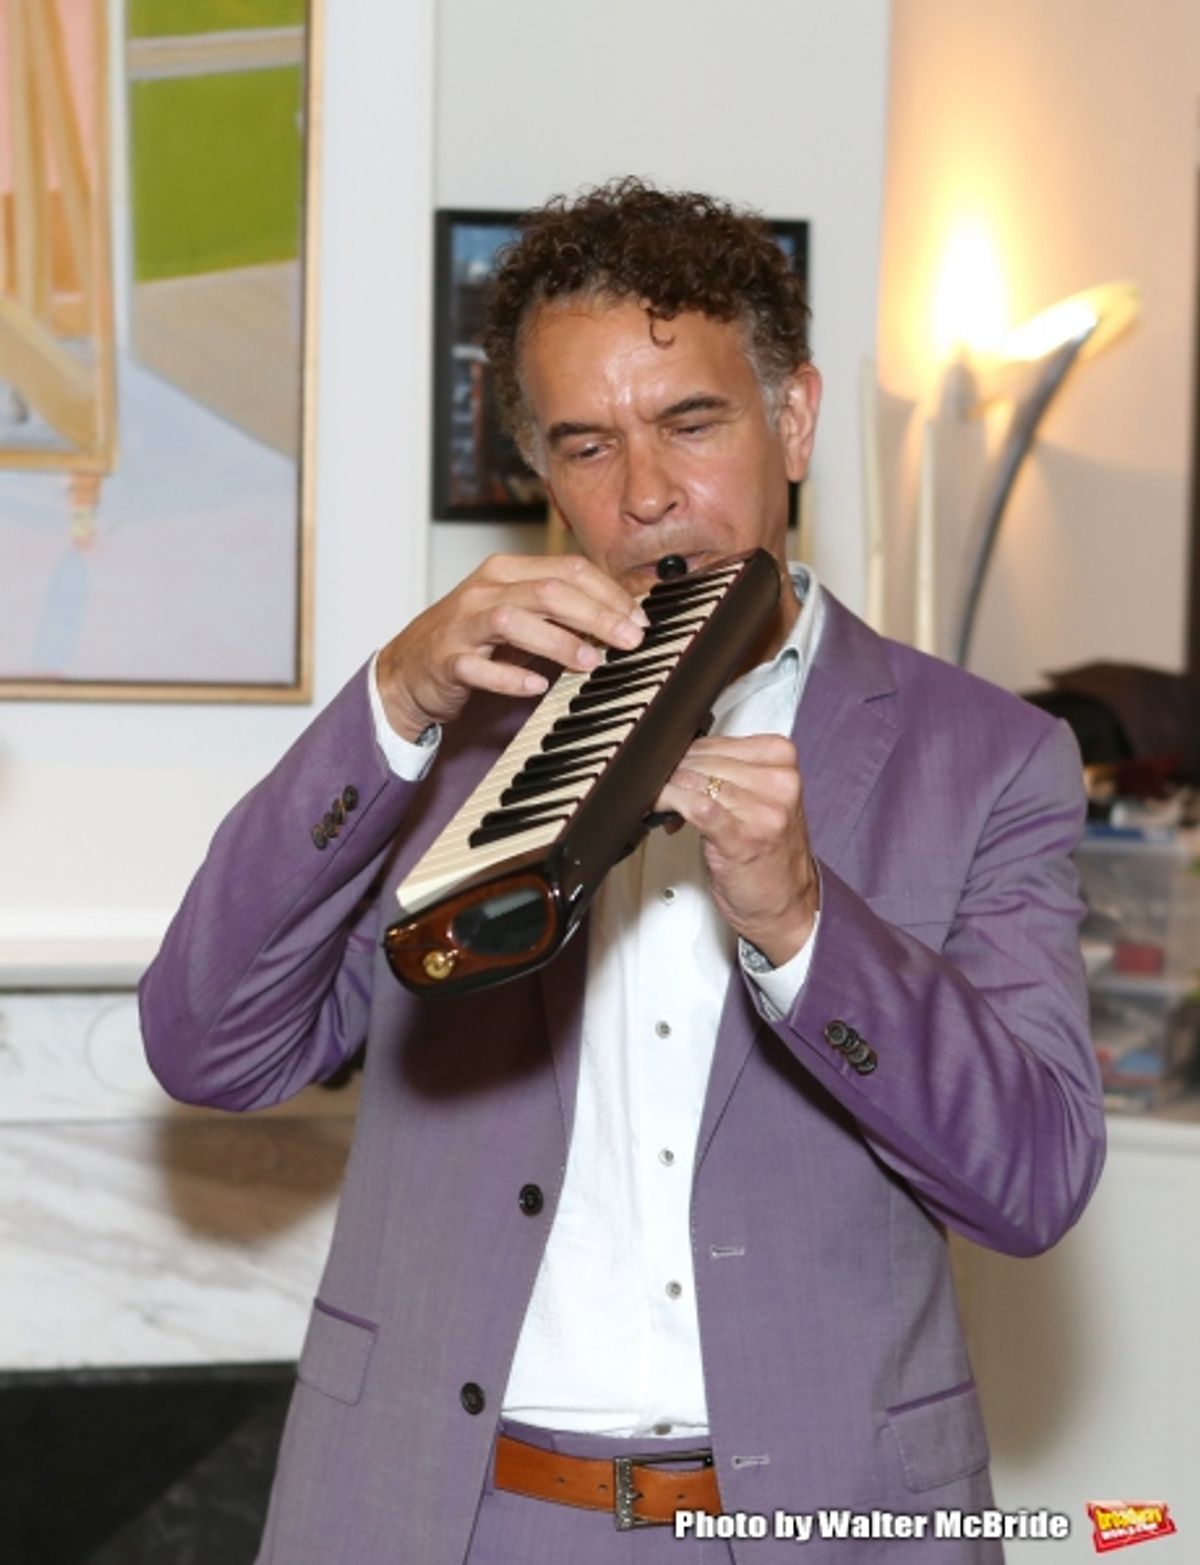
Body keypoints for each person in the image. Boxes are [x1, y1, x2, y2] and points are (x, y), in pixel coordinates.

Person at [140, 179, 1105, 1565]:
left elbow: (1036, 1178)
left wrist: (800, 922)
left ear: (794, 421)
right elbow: (207, 1043)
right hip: (447, 1518)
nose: (645, 493)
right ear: (542, 473)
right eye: (587, 445)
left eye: (692, 422)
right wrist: (395, 701)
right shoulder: (453, 733)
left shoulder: (988, 758)